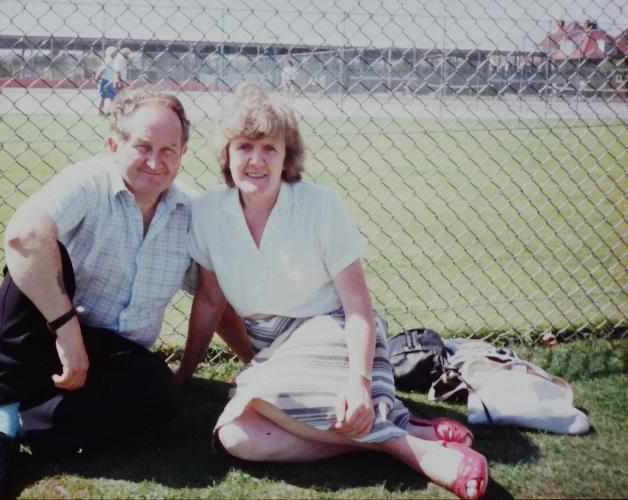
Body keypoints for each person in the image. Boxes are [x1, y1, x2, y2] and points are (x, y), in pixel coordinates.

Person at [0, 86, 243, 498]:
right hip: (51, 334)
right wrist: (68, 333)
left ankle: (9, 413)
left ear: (183, 153)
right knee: (33, 259)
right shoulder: (87, 182)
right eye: (142, 147)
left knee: (158, 394)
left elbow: (214, 298)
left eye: (169, 150)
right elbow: (22, 237)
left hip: (115, 357)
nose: (156, 162)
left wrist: (254, 361)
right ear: (113, 145)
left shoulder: (192, 211)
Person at [173, 83, 488, 500]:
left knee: (266, 395)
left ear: (288, 157)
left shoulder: (319, 205)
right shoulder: (208, 211)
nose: (256, 160)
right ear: (226, 154)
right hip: (273, 348)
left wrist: (358, 382)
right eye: (245, 146)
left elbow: (358, 306)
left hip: (333, 329)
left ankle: (412, 451)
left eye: (270, 147)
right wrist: (184, 374)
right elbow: (210, 301)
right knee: (237, 437)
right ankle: (391, 429)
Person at [93, 47, 129, 115]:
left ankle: (110, 111)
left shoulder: (115, 59)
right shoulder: (109, 60)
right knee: (104, 96)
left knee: (112, 97)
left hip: (110, 80)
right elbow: (102, 69)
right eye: (114, 52)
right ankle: (101, 111)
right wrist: (97, 77)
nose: (116, 53)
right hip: (105, 80)